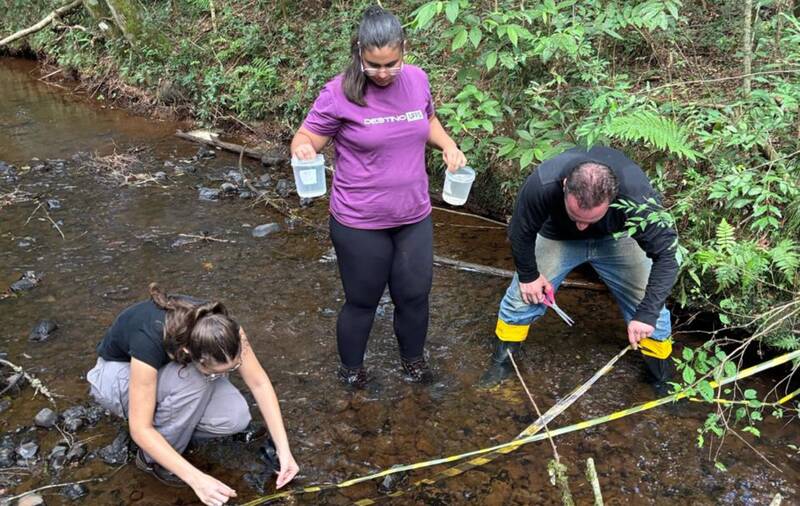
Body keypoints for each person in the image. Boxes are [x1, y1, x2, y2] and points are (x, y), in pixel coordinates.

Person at [290, 5, 467, 388]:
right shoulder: (338, 92)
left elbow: (428, 119)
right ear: (359, 53)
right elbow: (306, 137)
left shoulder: (417, 79)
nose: (383, 73)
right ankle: (351, 372)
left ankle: (413, 363)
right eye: (374, 65)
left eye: (391, 64)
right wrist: (303, 150)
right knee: (363, 302)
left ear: (404, 50)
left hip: (413, 215)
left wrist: (448, 145)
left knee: (415, 296)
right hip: (359, 221)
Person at [478, 146, 678, 394]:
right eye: (575, 215)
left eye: (590, 219)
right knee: (520, 300)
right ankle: (501, 366)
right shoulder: (543, 183)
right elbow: (520, 231)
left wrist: (646, 314)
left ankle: (662, 380)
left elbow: (667, 255)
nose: (582, 226)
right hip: (558, 237)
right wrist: (529, 276)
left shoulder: (637, 197)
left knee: (653, 315)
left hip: (617, 238)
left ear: (614, 197)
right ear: (564, 185)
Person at [87, 283, 299, 506]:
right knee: (194, 379)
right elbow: (140, 429)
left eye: (234, 367)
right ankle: (152, 460)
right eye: (218, 371)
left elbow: (259, 383)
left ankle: (170, 430)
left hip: (172, 376)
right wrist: (196, 479)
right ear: (188, 353)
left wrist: (284, 451)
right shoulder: (148, 339)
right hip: (114, 375)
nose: (225, 375)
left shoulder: (225, 330)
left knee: (235, 417)